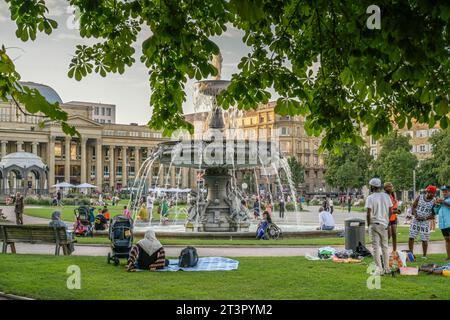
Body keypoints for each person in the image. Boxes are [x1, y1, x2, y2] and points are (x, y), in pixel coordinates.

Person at [365, 178, 392, 275]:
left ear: (372, 187)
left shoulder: (370, 198)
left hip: (374, 224)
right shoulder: (386, 196)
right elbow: (391, 210)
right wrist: (388, 222)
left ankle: (379, 269)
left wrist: (368, 226)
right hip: (384, 224)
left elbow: (368, 213)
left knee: (376, 248)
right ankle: (387, 269)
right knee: (385, 247)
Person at [408, 185, 437, 259]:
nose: (432, 194)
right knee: (411, 237)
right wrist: (416, 215)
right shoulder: (420, 197)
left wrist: (424, 218)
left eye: (434, 193)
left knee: (424, 239)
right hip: (415, 220)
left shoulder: (434, 201)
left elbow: (433, 215)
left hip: (425, 222)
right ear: (427, 191)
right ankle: (410, 254)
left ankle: (424, 255)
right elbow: (413, 206)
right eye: (431, 193)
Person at [433, 185, 450, 260]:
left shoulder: (445, 200)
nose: (444, 193)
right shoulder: (442, 200)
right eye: (443, 191)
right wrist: (436, 204)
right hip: (443, 224)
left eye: (446, 191)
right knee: (447, 240)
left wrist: (443, 201)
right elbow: (435, 212)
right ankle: (449, 257)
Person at [384, 182, 400, 252]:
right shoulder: (384, 196)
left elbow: (394, 205)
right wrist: (394, 211)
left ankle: (394, 251)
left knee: (394, 234)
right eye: (388, 187)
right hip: (387, 218)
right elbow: (385, 209)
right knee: (388, 235)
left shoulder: (393, 195)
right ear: (385, 188)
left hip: (393, 217)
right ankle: (385, 250)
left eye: (391, 186)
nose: (390, 188)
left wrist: (397, 210)